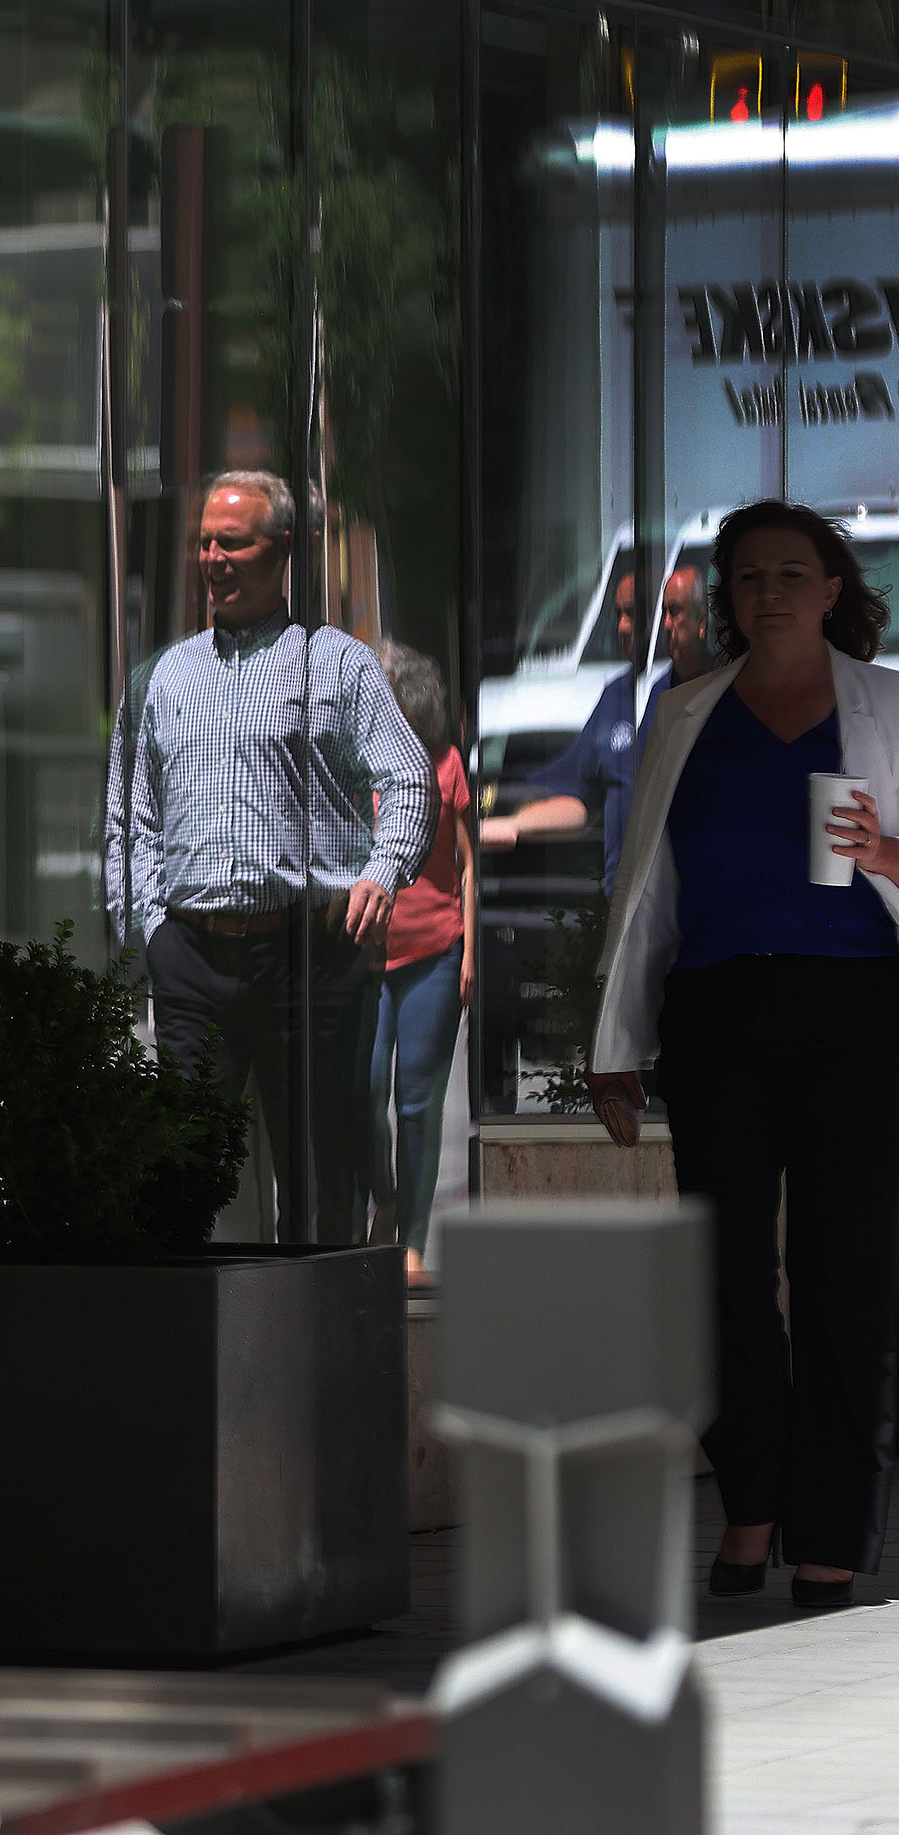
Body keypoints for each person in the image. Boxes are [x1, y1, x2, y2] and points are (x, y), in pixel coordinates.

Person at [587, 499, 899, 1610]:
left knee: (843, 1275)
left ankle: (828, 1534)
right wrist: (615, 1039)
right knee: (719, 1275)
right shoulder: (685, 710)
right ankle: (751, 1502)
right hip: (716, 1011)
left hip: (858, 1010)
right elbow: (646, 894)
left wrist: (889, 851)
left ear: (831, 588)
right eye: (747, 575)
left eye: (789, 573)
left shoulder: (887, 702)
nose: (766, 593)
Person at [102, 472, 433, 1245]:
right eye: (204, 542)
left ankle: (322, 1348)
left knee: (319, 1178)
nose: (213, 558)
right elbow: (127, 814)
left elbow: (410, 776)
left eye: (233, 541)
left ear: (282, 548)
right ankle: (197, 1348)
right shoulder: (161, 679)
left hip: (306, 959)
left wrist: (383, 874)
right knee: (183, 1172)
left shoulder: (338, 666)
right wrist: (150, 925)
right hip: (190, 953)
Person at [483, 563, 715, 896]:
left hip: (692, 897)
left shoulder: (718, 690)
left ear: (702, 621)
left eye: (634, 614)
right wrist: (511, 821)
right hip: (624, 901)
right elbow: (582, 798)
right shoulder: (616, 697)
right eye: (618, 614)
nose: (623, 627)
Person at [367, 643, 474, 1284]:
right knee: (363, 1091)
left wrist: (471, 956)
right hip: (368, 954)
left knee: (416, 1104)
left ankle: (411, 1241)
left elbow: (465, 863)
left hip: (436, 948)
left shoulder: (445, 764)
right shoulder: (361, 766)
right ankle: (382, 1196)